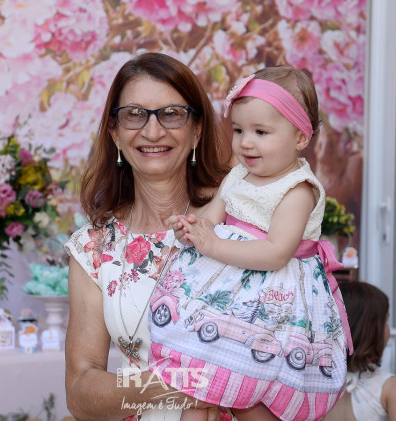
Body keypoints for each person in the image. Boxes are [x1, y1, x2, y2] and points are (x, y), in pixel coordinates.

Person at [147, 66, 353, 421]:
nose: (245, 142)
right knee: (198, 385)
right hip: (226, 290)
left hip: (272, 303)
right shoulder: (238, 174)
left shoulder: (297, 190)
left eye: (260, 131)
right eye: (239, 130)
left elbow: (275, 253)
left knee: (252, 392)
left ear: (299, 137)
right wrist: (192, 227)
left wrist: (213, 246)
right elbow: (212, 217)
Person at [64, 52, 234, 421]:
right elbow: (79, 392)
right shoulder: (94, 247)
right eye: (134, 114)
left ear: (197, 129)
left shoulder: (240, 219)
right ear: (115, 133)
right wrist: (176, 383)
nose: (153, 131)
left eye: (171, 114)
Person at [324, 281, 396, 421]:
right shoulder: (390, 387)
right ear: (370, 331)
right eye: (385, 321)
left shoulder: (309, 382)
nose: (389, 330)